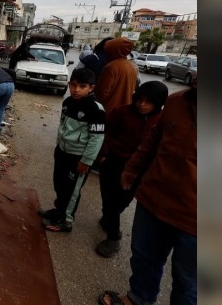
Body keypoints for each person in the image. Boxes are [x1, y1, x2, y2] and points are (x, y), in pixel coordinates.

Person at [98, 76, 197, 305]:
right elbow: (153, 141)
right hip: (154, 200)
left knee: (189, 282)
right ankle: (138, 298)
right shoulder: (176, 103)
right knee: (144, 257)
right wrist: (131, 169)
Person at [95, 81, 168, 258]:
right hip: (114, 162)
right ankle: (113, 236)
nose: (142, 105)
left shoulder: (162, 121)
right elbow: (106, 132)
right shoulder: (122, 112)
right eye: (140, 99)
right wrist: (103, 155)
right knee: (109, 199)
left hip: (139, 169)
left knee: (122, 201)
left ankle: (110, 220)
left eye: (148, 102)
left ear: (158, 103)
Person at [38, 68, 105, 232]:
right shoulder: (67, 103)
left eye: (82, 86)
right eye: (73, 85)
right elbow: (62, 126)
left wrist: (86, 161)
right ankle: (58, 210)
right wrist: (58, 146)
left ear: (91, 88)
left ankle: (65, 221)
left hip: (79, 158)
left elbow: (97, 138)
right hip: (62, 152)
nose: (76, 90)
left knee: (72, 190)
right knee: (59, 184)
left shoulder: (96, 110)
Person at [94, 37, 137, 113]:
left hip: (109, 110)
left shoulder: (111, 67)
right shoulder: (132, 67)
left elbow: (101, 93)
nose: (106, 51)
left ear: (114, 50)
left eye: (108, 48)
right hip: (125, 110)